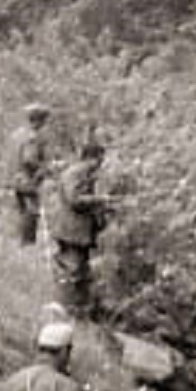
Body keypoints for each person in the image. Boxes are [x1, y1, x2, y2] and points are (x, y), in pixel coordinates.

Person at [52, 131, 111, 315]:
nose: (100, 164)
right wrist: (99, 199)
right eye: (98, 160)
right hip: (71, 232)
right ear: (90, 158)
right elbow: (74, 199)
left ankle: (79, 310)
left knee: (81, 271)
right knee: (73, 270)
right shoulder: (75, 173)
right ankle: (66, 309)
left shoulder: (84, 173)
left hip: (79, 232)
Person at [8, 102, 54, 250]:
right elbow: (29, 159)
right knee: (31, 212)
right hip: (28, 180)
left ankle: (22, 245)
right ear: (39, 120)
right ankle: (28, 244)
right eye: (44, 120)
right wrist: (46, 168)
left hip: (15, 178)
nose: (45, 124)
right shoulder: (33, 137)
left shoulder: (16, 135)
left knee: (22, 212)